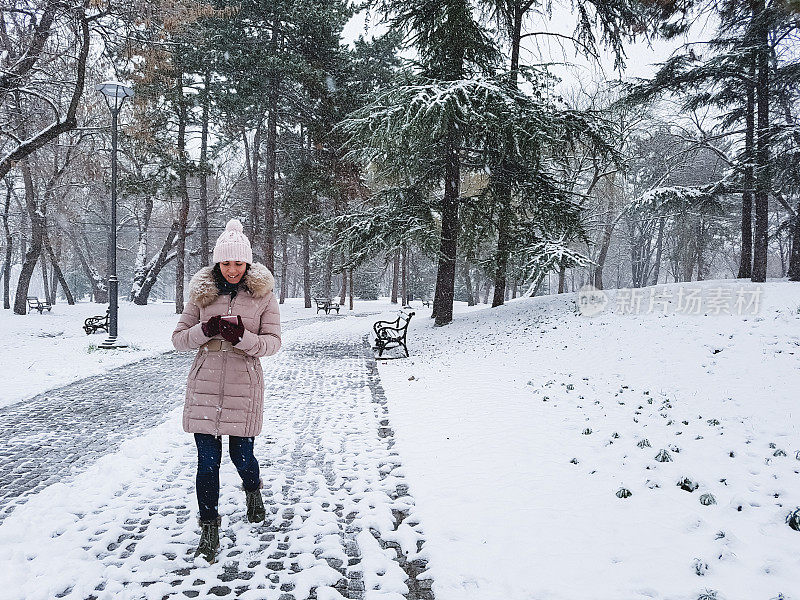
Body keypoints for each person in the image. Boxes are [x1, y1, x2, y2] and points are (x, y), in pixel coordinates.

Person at [172, 218, 281, 563]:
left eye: (238, 263)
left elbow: (273, 343)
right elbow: (178, 340)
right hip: (204, 385)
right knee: (207, 463)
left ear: (248, 263)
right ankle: (209, 527)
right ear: (217, 263)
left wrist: (243, 339)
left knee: (242, 457)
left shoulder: (263, 295)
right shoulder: (201, 293)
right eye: (226, 262)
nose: (232, 269)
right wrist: (205, 330)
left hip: (243, 385)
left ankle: (253, 491)